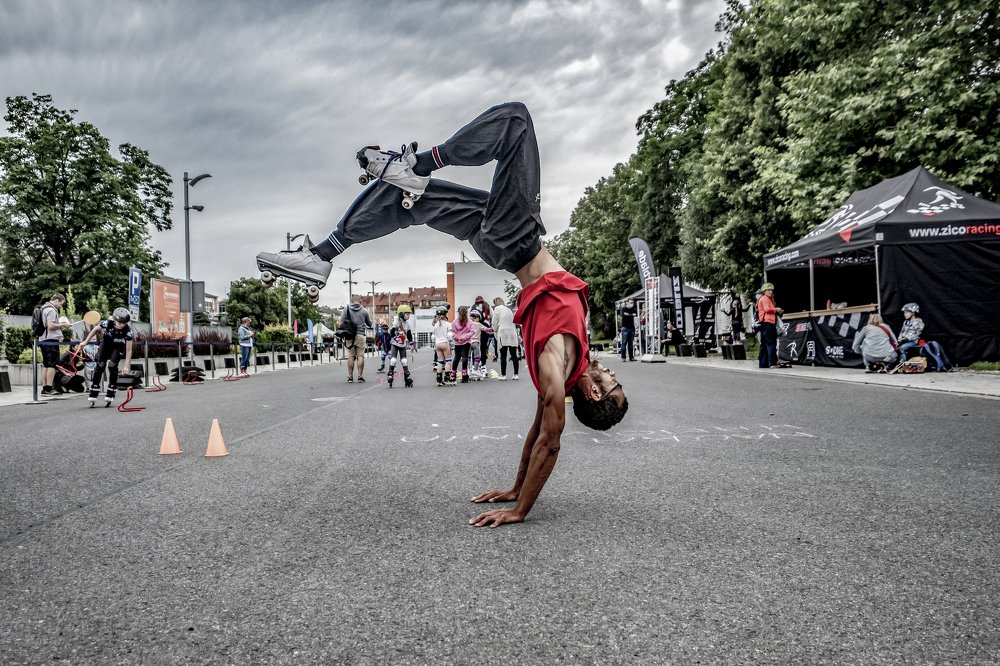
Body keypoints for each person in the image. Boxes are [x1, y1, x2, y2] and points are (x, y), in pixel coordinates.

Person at [254, 101, 629, 527]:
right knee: (409, 196)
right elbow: (535, 437)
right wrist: (513, 487)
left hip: (515, 235)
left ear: (594, 394)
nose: (609, 372)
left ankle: (419, 161)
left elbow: (549, 442)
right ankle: (322, 256)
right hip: (494, 237)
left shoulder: (556, 364)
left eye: (610, 381)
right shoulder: (566, 371)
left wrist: (519, 510)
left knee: (516, 123)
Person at [80, 307, 134, 406]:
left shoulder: (128, 331)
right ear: (114, 320)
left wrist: (126, 366)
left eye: (124, 323)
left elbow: (129, 350)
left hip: (118, 347)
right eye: (119, 323)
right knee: (100, 365)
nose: (122, 325)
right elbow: (95, 330)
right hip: (106, 344)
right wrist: (85, 342)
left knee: (112, 365)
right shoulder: (107, 323)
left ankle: (111, 390)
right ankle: (94, 391)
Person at [37, 293, 71, 395]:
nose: (61, 306)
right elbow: (51, 326)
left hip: (43, 339)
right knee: (52, 365)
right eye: (61, 303)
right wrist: (64, 325)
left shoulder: (43, 308)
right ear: (57, 300)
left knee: (46, 365)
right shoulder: (51, 310)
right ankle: (49, 388)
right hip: (51, 340)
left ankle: (45, 388)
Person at [340, 302, 373, 383]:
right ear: (360, 302)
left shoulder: (346, 309)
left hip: (349, 335)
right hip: (360, 335)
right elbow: (369, 323)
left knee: (351, 356)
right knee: (360, 356)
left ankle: (350, 377)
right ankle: (360, 376)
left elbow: (341, 322)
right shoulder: (364, 310)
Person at [385, 304, 414, 388]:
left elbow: (409, 335)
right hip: (395, 344)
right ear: (401, 314)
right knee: (393, 360)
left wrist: (412, 344)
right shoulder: (396, 322)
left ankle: (407, 378)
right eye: (407, 314)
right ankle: (390, 374)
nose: (409, 316)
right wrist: (395, 329)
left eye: (409, 314)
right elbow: (391, 333)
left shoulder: (407, 324)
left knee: (404, 361)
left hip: (403, 345)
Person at [492, 296, 519, 380]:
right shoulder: (509, 310)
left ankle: (503, 375)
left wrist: (494, 330)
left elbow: (494, 322)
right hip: (512, 332)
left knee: (503, 355)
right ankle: (516, 374)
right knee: (514, 355)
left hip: (502, 332)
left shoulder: (497, 309)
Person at [756, 282, 783, 368]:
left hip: (764, 323)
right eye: (769, 290)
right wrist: (776, 309)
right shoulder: (765, 299)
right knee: (771, 343)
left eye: (772, 290)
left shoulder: (766, 298)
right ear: (764, 291)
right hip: (768, 323)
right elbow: (767, 309)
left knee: (764, 344)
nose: (771, 291)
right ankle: (772, 363)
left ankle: (763, 364)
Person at [450, 305, 476, 383]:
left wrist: (457, 338)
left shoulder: (454, 322)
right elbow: (472, 331)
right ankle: (464, 375)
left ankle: (453, 374)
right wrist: (464, 337)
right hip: (466, 342)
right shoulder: (470, 322)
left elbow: (452, 332)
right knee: (465, 357)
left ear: (458, 312)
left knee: (456, 358)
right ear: (467, 313)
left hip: (457, 342)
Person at [431, 307, 455, 386]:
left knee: (440, 362)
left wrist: (434, 345)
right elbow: (450, 335)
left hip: (437, 344)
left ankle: (439, 379)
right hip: (445, 343)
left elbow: (433, 337)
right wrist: (452, 346)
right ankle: (447, 378)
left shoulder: (435, 325)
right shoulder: (448, 324)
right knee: (448, 361)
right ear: (445, 314)